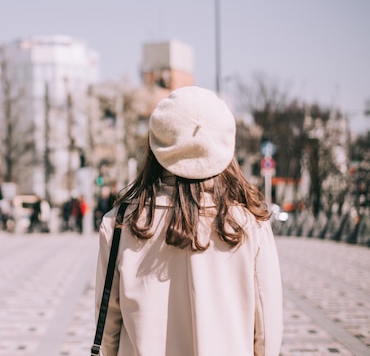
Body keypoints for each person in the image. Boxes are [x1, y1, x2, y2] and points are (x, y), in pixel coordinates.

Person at [95, 86, 283, 356]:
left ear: (156, 145)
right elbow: (266, 336)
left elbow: (107, 334)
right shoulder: (250, 225)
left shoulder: (121, 224)